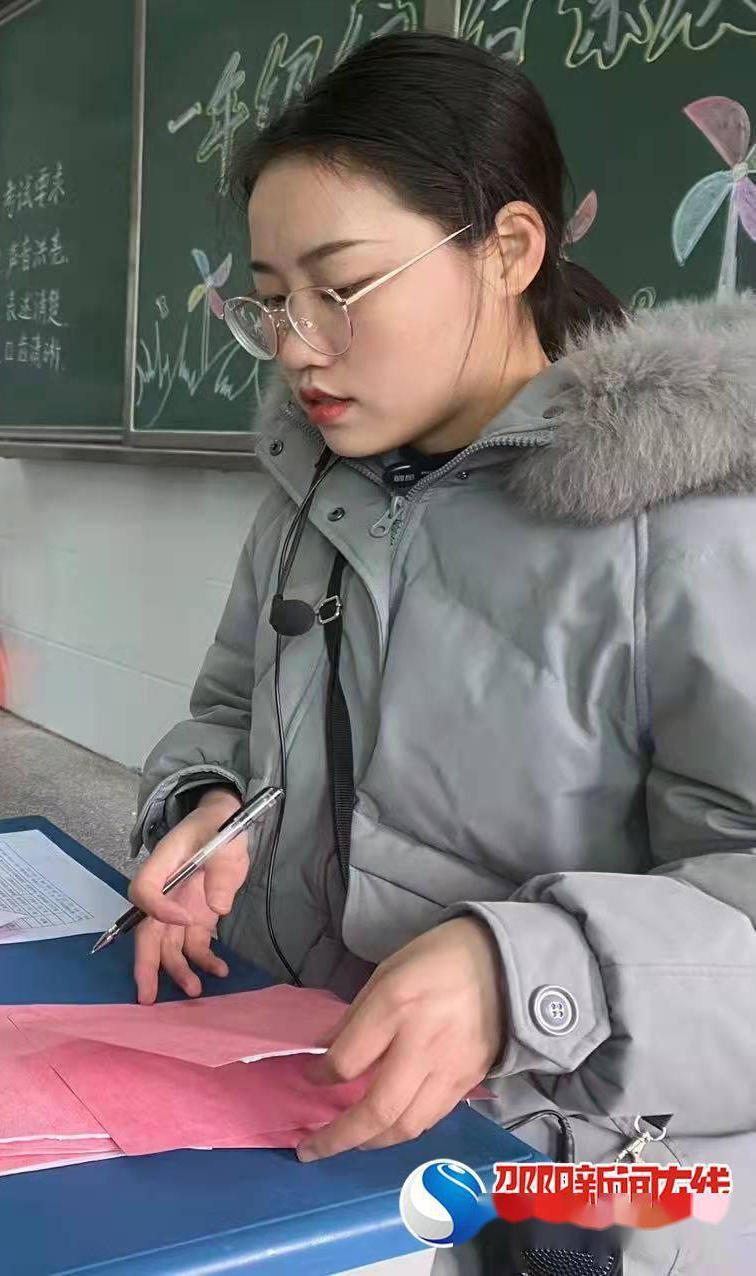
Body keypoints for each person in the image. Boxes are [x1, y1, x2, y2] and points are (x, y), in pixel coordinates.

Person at [127, 33, 755, 1273]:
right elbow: (223, 713)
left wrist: (518, 971)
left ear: (509, 250)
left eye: (340, 287)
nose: (298, 344)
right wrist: (195, 807)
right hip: (320, 1113)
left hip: (579, 1188)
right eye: (268, 298)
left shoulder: (688, 524)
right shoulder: (312, 495)